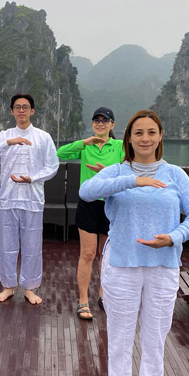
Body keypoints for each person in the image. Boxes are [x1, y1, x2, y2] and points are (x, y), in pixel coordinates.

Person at [79, 110, 189, 376]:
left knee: (155, 336)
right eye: (138, 133)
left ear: (160, 136)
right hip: (122, 263)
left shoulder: (175, 174)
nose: (145, 138)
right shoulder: (116, 171)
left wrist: (174, 237)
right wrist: (134, 180)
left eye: (151, 132)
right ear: (129, 138)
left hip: (163, 266)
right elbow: (86, 192)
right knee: (120, 335)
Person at [0, 93, 59, 305]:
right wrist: (9, 142)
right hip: (8, 199)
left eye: (25, 107)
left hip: (32, 199)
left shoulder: (43, 137)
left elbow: (52, 166)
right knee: (7, 245)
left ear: (32, 111)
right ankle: (8, 286)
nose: (21, 110)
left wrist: (33, 178)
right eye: (17, 107)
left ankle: (30, 288)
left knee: (32, 246)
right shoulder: (4, 136)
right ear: (12, 111)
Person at [57, 107, 123, 320]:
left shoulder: (120, 146)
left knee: (106, 254)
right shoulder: (86, 146)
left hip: (111, 204)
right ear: (93, 124)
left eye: (105, 120)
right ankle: (83, 300)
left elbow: (129, 170)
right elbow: (59, 154)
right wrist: (83, 143)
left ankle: (104, 295)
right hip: (88, 204)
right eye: (97, 120)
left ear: (112, 124)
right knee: (87, 254)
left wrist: (106, 173)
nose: (100, 123)